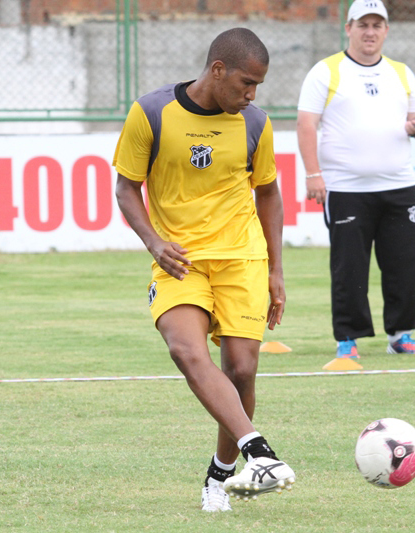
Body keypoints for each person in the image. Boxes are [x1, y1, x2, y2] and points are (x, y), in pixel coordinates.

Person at [113, 28, 295, 511]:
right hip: (181, 260)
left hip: (242, 257)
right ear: (217, 70)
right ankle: (261, 455)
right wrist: (154, 242)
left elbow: (269, 193)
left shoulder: (255, 123)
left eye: (257, 85)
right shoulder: (151, 113)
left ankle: (220, 475)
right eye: (246, 83)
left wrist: (276, 270)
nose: (251, 94)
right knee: (184, 349)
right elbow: (126, 187)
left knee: (242, 369)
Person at [297, 0, 415, 362]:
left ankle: (401, 335)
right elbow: (306, 124)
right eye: (363, 25)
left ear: (386, 30)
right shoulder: (326, 71)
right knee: (349, 269)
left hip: (399, 185)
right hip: (346, 188)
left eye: (376, 25)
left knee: (405, 266)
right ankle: (348, 338)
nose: (370, 32)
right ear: (349, 28)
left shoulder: (401, 72)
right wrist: (314, 174)